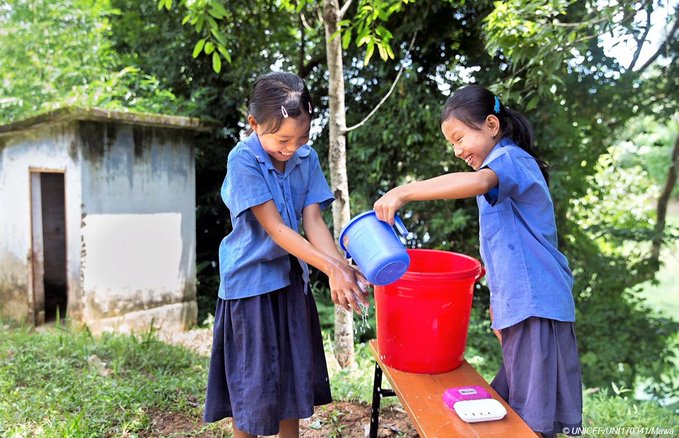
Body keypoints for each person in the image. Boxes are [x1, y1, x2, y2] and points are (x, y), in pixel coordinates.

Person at [373, 84, 582, 437]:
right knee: (516, 404)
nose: (457, 151)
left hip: (537, 305)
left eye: (459, 138)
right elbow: (505, 252)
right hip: (522, 306)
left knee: (532, 418)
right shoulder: (500, 170)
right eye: (451, 144)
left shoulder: (509, 161)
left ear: (491, 125)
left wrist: (404, 191)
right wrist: (500, 309)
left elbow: (477, 182)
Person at [204, 71, 369, 438]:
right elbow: (276, 230)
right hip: (250, 288)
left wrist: (342, 269)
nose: (291, 147)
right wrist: (332, 268)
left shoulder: (305, 159)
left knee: (292, 383)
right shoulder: (242, 160)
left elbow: (313, 220)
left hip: (292, 282)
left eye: (302, 137)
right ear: (253, 124)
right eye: (282, 139)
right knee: (253, 386)